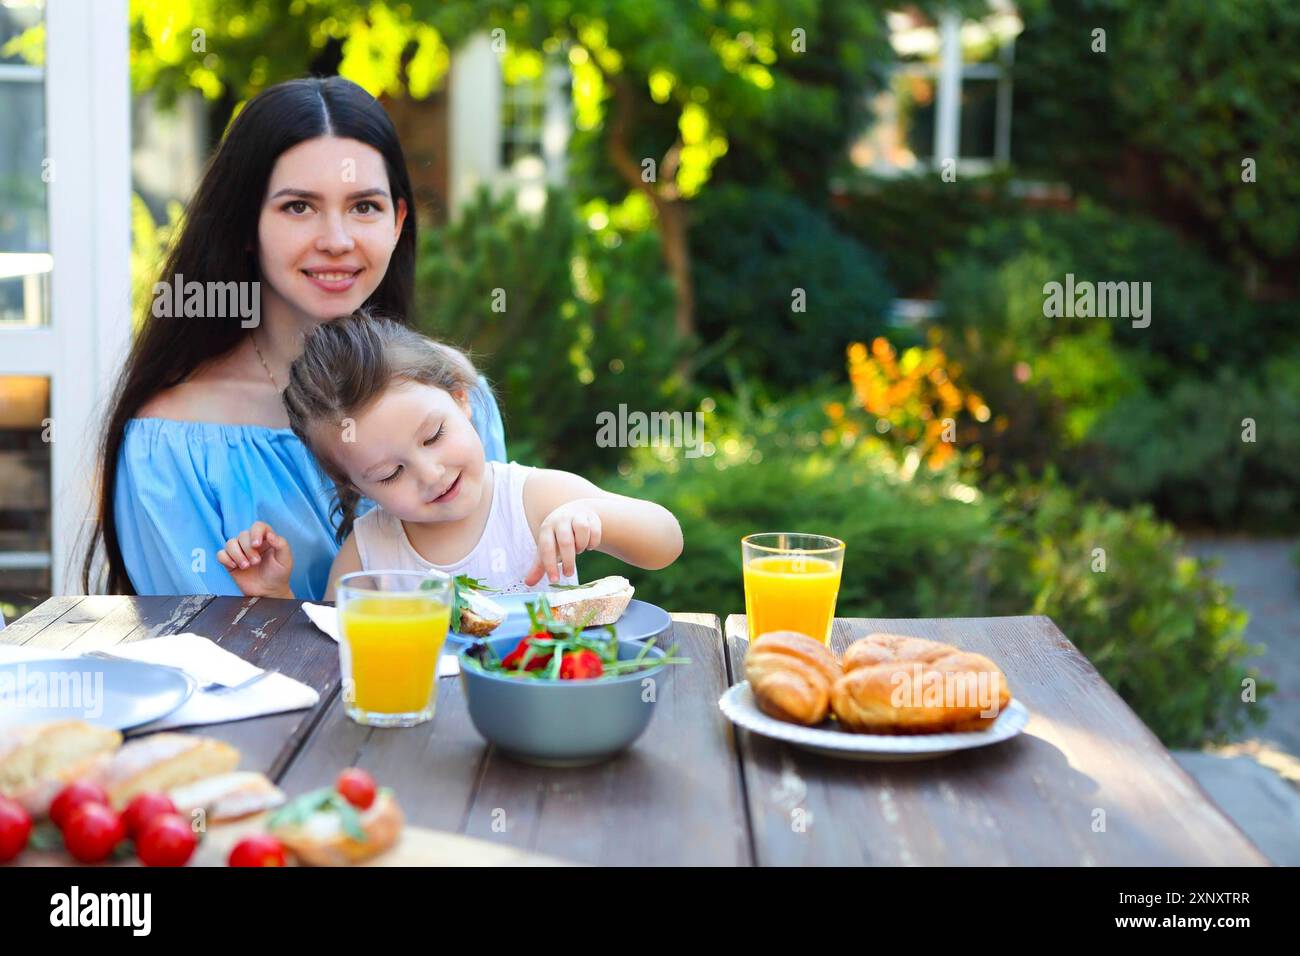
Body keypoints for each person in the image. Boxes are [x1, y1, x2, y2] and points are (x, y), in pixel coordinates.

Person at [82, 77, 506, 599]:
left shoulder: (458, 394)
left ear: (397, 222)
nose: (336, 240)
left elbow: (495, 603)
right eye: (299, 207)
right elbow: (205, 659)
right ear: (244, 226)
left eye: (364, 206)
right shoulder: (170, 446)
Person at [213, 314, 683, 600]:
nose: (431, 474)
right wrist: (276, 594)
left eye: (434, 435)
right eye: (390, 473)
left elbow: (666, 543)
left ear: (460, 399)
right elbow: (334, 646)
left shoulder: (535, 499)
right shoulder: (371, 550)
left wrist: (591, 515)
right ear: (356, 486)